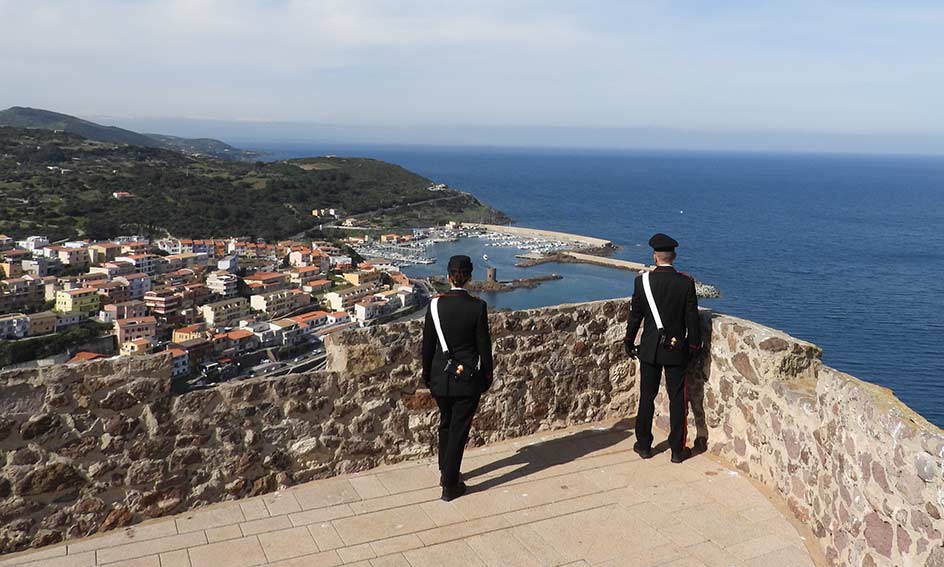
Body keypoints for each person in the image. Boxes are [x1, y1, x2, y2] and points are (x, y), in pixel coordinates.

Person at [624, 233, 702, 463]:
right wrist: (694, 347)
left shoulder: (642, 282)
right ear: (674, 256)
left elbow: (635, 316)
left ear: (654, 256)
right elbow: (692, 321)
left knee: (647, 397)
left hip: (649, 348)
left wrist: (629, 341)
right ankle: (677, 450)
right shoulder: (686, 282)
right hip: (675, 349)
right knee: (677, 399)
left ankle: (644, 445)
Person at [422, 255, 494, 501]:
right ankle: (450, 485)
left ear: (448, 275)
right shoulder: (477, 306)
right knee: (459, 430)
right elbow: (484, 346)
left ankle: (445, 471)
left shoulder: (434, 305)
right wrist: (487, 375)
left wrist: (426, 376)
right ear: (470, 276)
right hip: (467, 379)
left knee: (445, 423)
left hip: (440, 377)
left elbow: (427, 346)